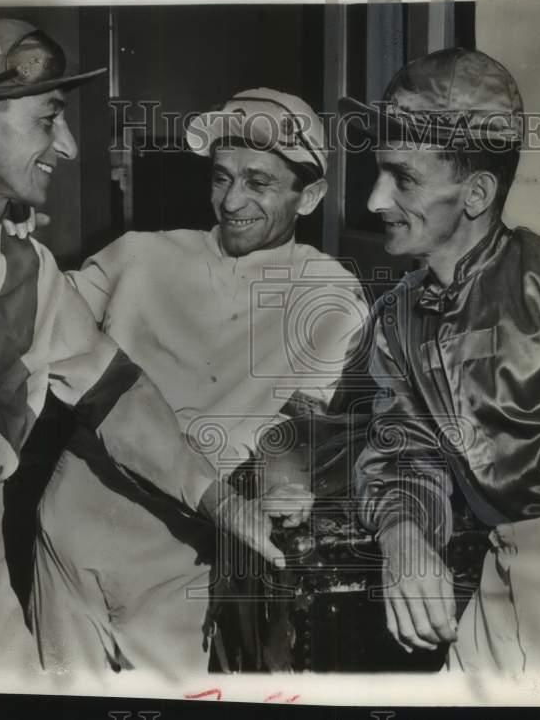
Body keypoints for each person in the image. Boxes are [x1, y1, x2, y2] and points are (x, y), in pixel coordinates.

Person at [0, 20, 303, 690]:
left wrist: (222, 505)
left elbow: (116, 395)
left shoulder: (32, 268)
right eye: (48, 120)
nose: (66, 146)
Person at [32, 89, 368, 677]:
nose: (231, 201)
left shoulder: (329, 295)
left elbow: (303, 421)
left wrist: (286, 481)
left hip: (185, 559)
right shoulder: (137, 256)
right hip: (71, 535)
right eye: (221, 178)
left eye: (259, 183)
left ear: (309, 195)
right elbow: (34, 327)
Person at [340, 48, 540, 686]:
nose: (376, 199)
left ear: (477, 193)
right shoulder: (395, 317)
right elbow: (403, 454)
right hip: (506, 572)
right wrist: (403, 536)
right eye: (379, 173)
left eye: (402, 178)